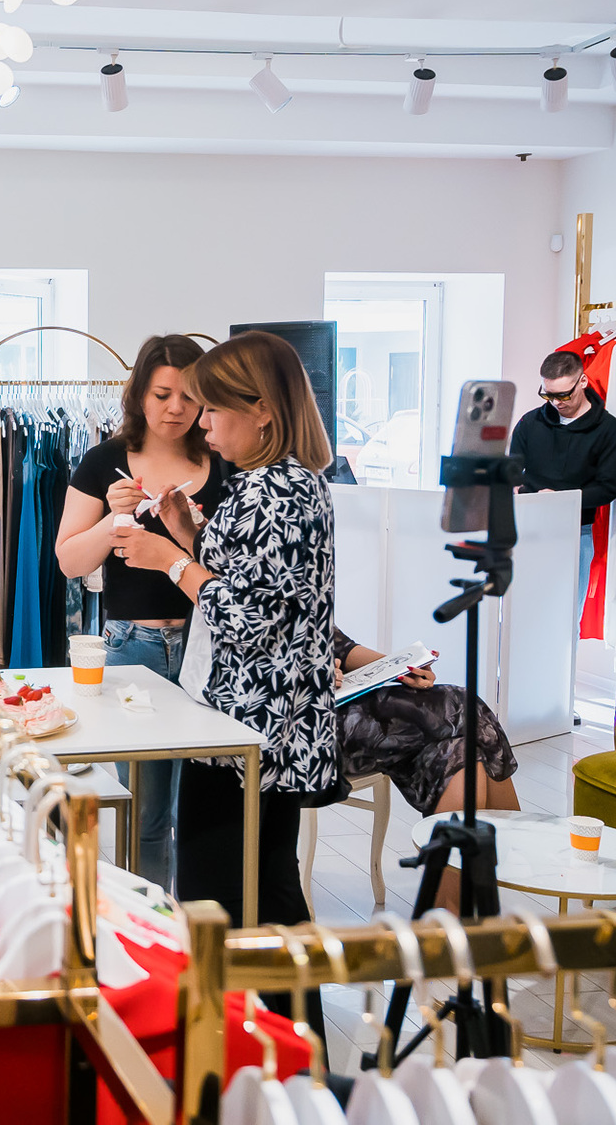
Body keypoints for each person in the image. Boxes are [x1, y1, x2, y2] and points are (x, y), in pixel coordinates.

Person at [127, 330, 337, 944]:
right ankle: (282, 1006)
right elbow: (260, 582)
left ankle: (252, 1006)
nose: (203, 423)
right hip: (259, 722)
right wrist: (190, 534)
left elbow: (248, 615)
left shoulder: (273, 491)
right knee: (264, 890)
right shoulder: (277, 482)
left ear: (262, 411)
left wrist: (170, 560)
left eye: (214, 409)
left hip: (250, 728)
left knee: (229, 900)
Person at [55, 334, 226, 889]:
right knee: (147, 812)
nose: (176, 408)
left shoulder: (223, 460)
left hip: (211, 645)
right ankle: (150, 920)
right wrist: (113, 520)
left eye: (189, 396)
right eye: (161, 395)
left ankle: (193, 917)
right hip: (133, 647)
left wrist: (190, 532)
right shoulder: (104, 462)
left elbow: (236, 570)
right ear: (138, 395)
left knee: (206, 803)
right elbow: (69, 560)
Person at [332, 628, 519, 911]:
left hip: (341, 702)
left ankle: (446, 915)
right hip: (301, 728)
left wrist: (403, 669)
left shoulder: (305, 602)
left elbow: (342, 649)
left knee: (462, 752)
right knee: (462, 704)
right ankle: (515, 845)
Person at [510, 351, 616, 607]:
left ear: (582, 381)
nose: (556, 402)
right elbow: (512, 471)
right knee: (520, 609)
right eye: (548, 395)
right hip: (528, 526)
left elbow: (608, 488)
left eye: (564, 395)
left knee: (566, 613)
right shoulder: (530, 423)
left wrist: (563, 499)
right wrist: (518, 489)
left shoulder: (610, 430)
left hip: (575, 530)